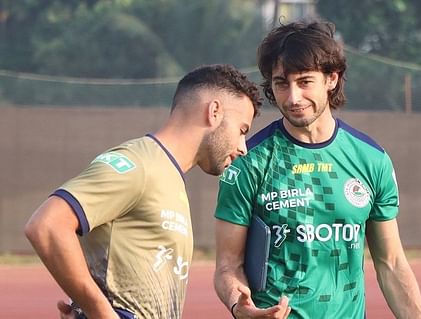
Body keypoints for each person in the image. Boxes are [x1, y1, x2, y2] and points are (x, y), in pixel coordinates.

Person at [213, 20, 421, 319]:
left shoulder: (371, 159)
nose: (293, 97)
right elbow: (227, 266)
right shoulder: (248, 163)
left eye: (304, 82)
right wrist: (240, 306)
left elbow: (391, 263)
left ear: (331, 78)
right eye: (281, 83)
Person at [24, 64, 262, 319]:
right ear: (214, 112)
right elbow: (47, 226)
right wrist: (100, 312)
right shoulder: (139, 164)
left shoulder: (169, 176)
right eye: (242, 130)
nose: (242, 147)